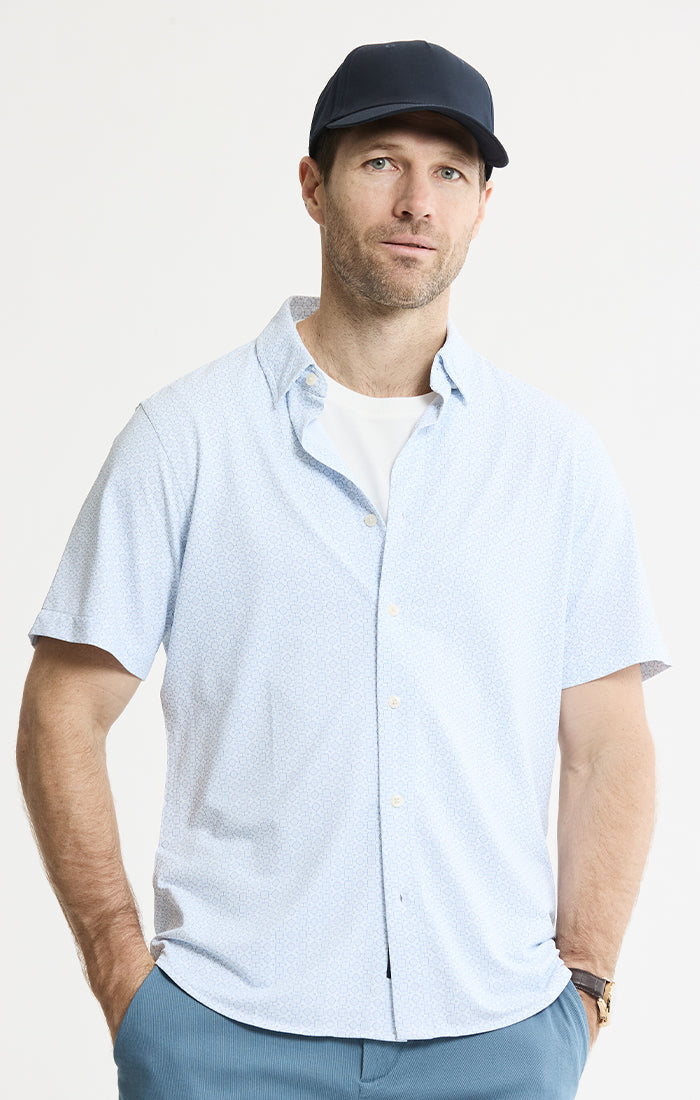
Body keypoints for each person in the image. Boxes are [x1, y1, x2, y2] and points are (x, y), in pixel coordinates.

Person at [17, 39, 672, 1100]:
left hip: (496, 1039)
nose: (417, 200)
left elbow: (606, 744)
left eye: (450, 171)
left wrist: (583, 988)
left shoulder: (553, 461)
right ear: (313, 186)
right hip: (223, 1038)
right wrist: (125, 983)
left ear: (482, 206)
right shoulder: (187, 439)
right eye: (381, 162)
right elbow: (62, 710)